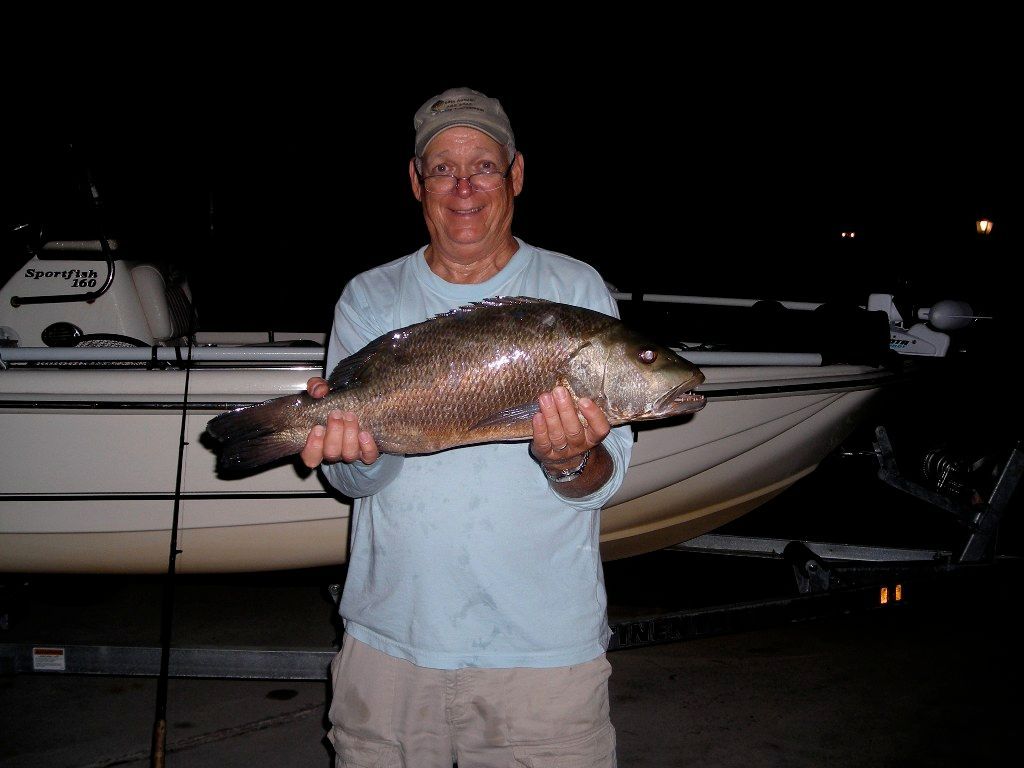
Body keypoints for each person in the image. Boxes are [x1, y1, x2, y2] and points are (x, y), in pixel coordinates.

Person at [300, 86, 632, 767]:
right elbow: (355, 480)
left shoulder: (575, 291)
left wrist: (571, 460)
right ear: (416, 182)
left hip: (543, 659)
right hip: (392, 645)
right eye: (443, 167)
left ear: (516, 174)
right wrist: (352, 451)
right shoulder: (369, 297)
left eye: (482, 164)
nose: (463, 186)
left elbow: (602, 480)